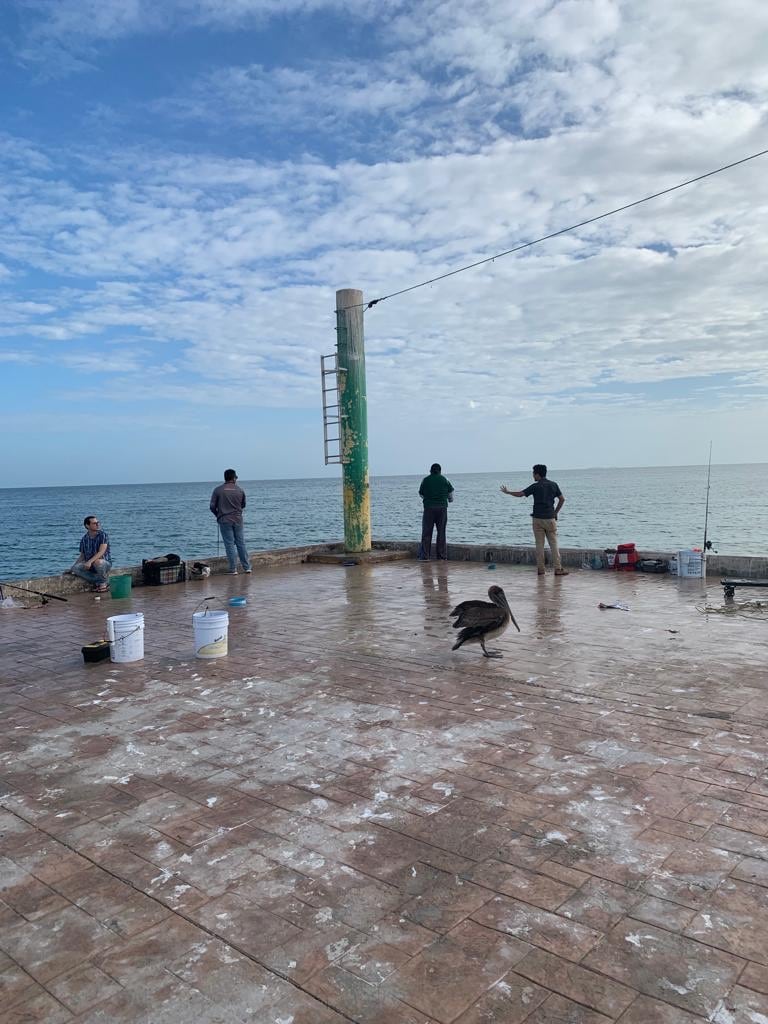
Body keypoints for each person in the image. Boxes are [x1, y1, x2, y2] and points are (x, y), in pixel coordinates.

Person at [500, 464, 569, 576]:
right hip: (550, 519)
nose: (533, 475)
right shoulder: (553, 485)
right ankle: (558, 569)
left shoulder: (535, 486)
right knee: (554, 544)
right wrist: (555, 513)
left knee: (539, 546)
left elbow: (520, 494)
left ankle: (541, 570)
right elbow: (562, 499)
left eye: (533, 473)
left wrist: (508, 492)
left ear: (537, 474)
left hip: (537, 520)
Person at [210, 469, 251, 575]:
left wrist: (218, 516)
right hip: (238, 520)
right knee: (241, 543)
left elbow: (212, 506)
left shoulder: (218, 490)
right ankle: (247, 567)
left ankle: (233, 569)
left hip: (224, 520)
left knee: (229, 545)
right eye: (236, 477)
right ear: (233, 478)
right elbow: (243, 505)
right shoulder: (240, 490)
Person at [418, 463, 454, 560]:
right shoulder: (445, 479)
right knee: (441, 531)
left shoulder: (425, 480)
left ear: (430, 470)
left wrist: (428, 499)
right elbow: (450, 494)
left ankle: (425, 556)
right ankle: (441, 556)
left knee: (427, 532)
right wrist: (449, 500)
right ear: (440, 471)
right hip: (442, 508)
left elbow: (421, 493)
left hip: (429, 508)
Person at [67, 516, 112, 592]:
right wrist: (71, 569)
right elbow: (82, 556)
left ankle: (103, 584)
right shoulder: (84, 539)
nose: (97, 525)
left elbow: (101, 552)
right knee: (75, 568)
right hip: (90, 566)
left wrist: (90, 561)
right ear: (87, 526)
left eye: (98, 523)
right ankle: (102, 581)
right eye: (94, 523)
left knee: (98, 562)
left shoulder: (103, 535)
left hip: (104, 564)